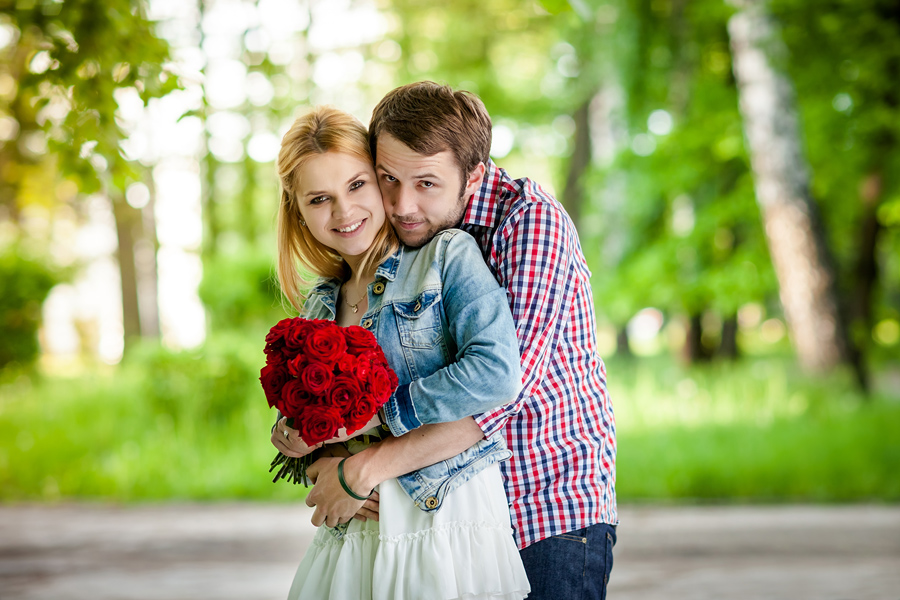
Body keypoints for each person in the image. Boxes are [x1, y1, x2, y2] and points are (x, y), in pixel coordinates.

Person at [301, 82, 618, 600]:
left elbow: (498, 391)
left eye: (426, 183)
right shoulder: (400, 247)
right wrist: (323, 454)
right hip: (440, 511)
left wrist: (368, 465)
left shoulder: (529, 222)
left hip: (543, 505)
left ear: (473, 176)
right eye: (388, 179)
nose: (402, 205)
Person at [271, 105, 530, 600]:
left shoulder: (445, 256)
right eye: (319, 199)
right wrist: (302, 443)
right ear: (297, 211)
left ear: (378, 179)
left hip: (441, 518)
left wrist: (364, 420)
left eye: (357, 185)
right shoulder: (319, 304)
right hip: (356, 526)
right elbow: (314, 431)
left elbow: (496, 373)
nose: (343, 212)